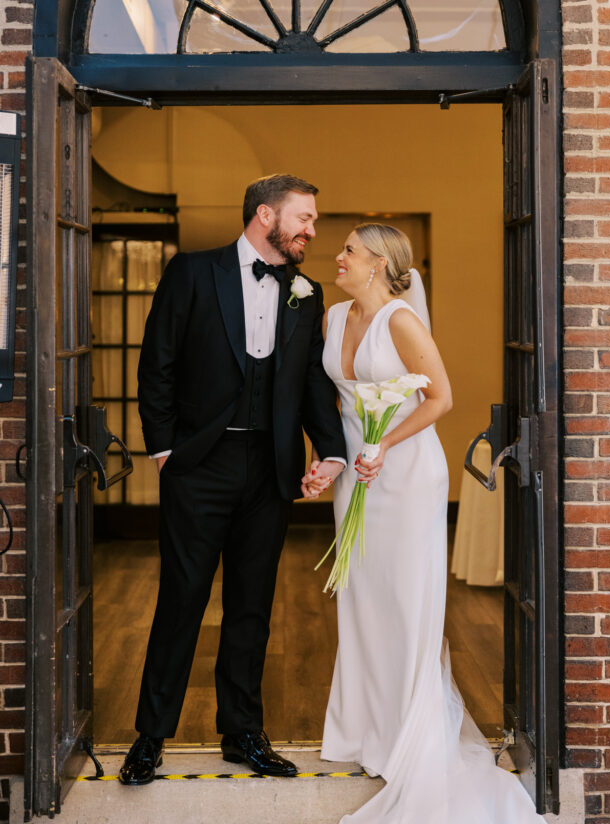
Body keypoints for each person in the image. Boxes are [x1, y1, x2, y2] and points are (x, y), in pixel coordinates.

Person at [302, 223, 546, 823]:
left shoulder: (402, 322)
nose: (338, 257)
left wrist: (386, 445)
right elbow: (335, 400)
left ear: (379, 264)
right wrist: (332, 458)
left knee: (406, 600)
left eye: (350, 252)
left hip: (406, 471)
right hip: (359, 471)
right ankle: (364, 729)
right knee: (360, 596)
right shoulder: (333, 319)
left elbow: (440, 398)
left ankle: (407, 736)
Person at [119, 174, 346, 786]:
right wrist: (165, 451)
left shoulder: (307, 291)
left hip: (269, 473)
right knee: (181, 601)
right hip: (198, 468)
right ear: (265, 217)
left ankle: (242, 733)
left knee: (252, 609)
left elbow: (308, 384)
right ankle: (149, 736)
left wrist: (331, 450)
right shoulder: (193, 272)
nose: (312, 230)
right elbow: (156, 363)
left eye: (315, 221)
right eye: (304, 218)